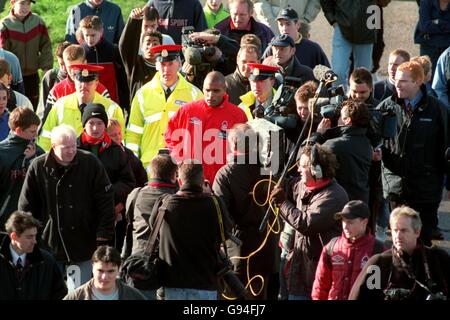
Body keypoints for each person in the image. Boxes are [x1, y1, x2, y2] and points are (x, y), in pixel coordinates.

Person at [18, 124, 115, 292]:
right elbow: (26, 207)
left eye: (73, 146)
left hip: (81, 245)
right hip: (48, 245)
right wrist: (27, 238)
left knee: (77, 292)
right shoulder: (38, 167)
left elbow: (105, 201)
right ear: (53, 146)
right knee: (47, 291)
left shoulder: (90, 163)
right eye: (66, 147)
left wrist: (103, 233)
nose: (71, 151)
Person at [379, 61, 450, 246]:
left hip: (426, 190)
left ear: (418, 82)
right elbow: (376, 140)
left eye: (403, 80)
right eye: (396, 80)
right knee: (398, 241)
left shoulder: (436, 109)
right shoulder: (387, 106)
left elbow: (447, 148)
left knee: (423, 242)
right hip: (396, 189)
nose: (397, 84)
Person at [270, 144, 349, 299]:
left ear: (316, 171)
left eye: (303, 166)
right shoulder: (302, 185)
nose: (298, 169)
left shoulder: (334, 196)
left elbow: (306, 224)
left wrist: (282, 203)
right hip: (296, 266)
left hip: (316, 270)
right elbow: (288, 184)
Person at [212, 123, 279, 300]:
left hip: (239, 250)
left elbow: (220, 215)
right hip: (267, 246)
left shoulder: (225, 174)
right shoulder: (268, 171)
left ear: (233, 145)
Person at [150, 161, 233, 300]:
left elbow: (155, 232)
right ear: (202, 180)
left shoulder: (164, 204)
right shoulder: (215, 204)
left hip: (172, 282)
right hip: (205, 283)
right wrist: (210, 195)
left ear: (179, 180)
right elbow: (226, 233)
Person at [125, 44, 203, 172]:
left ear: (179, 64)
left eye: (170, 64)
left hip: (182, 168)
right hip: (148, 168)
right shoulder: (142, 94)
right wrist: (134, 165)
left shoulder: (195, 95)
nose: (166, 70)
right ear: (156, 65)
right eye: (162, 64)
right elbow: (133, 134)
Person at [349, 206, 450, 300]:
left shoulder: (437, 259)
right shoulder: (379, 264)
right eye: (395, 230)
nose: (398, 236)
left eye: (403, 230)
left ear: (417, 232)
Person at [165, 71, 247, 184]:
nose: (210, 95)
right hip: (188, 183)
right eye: (207, 90)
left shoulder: (237, 115)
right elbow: (170, 137)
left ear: (224, 89)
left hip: (221, 183)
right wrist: (180, 162)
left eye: (216, 91)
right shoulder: (187, 111)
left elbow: (244, 150)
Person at [78, 104, 135, 250]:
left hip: (108, 217)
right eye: (91, 123)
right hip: (79, 218)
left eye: (99, 123)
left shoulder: (116, 151)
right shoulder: (74, 148)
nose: (95, 128)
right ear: (84, 124)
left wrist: (109, 195)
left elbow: (128, 182)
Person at [123, 153, 178, 299]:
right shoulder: (177, 200)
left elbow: (129, 221)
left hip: (141, 263)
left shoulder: (136, 194)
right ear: (174, 175)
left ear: (151, 172)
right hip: (170, 264)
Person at [38, 63, 125, 152]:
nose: (83, 86)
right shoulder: (60, 105)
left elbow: (120, 141)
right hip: (67, 162)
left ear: (96, 83)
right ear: (75, 81)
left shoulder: (112, 108)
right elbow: (46, 138)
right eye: (80, 81)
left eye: (88, 82)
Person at [312, 200, 385, 300]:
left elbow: (382, 290)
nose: (345, 226)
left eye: (350, 222)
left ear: (364, 222)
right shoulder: (331, 247)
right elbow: (320, 285)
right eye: (343, 221)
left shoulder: (378, 250)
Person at [0, 211, 67, 300]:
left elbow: (60, 294)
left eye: (35, 236)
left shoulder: (47, 261)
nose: (34, 241)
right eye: (29, 237)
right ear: (14, 236)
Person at [316, 100, 373, 204]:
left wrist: (318, 134)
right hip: (361, 202)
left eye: (340, 116)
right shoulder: (367, 143)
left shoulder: (334, 145)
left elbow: (307, 157)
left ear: (347, 120)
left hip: (339, 203)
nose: (337, 119)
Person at [0, 0, 53, 109]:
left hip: (32, 75)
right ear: (13, 3)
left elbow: (46, 46)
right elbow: (3, 54)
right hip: (13, 78)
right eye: (22, 3)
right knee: (14, 107)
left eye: (28, 4)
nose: (26, 7)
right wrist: (6, 75)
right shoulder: (5, 25)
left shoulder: (38, 22)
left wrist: (46, 67)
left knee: (32, 106)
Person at [40, 45, 110, 123]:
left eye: (77, 66)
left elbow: (109, 121)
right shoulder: (56, 92)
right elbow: (47, 122)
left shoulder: (101, 90)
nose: (73, 71)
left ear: (85, 63)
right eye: (70, 67)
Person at [0, 107, 43, 228]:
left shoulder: (38, 153)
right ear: (18, 130)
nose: (36, 134)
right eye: (32, 131)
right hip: (5, 222)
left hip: (32, 221)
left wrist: (32, 161)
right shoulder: (2, 152)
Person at [320, 0, 376, 88]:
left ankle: (361, 100)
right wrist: (332, 20)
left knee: (363, 76)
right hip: (342, 26)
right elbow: (325, 2)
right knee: (338, 72)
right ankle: (339, 99)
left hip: (367, 28)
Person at [79, 15, 129, 110]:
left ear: (101, 32)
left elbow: (122, 79)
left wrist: (125, 103)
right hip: (88, 103)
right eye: (86, 35)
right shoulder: (81, 52)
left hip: (112, 102)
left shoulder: (113, 50)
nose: (89, 39)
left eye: (93, 35)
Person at [64, 245, 145, 300]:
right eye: (100, 271)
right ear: (92, 268)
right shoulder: (76, 297)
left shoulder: (133, 296)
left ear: (118, 270)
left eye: (111, 271)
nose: (104, 277)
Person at [119, 7, 163, 106]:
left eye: (155, 43)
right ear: (141, 47)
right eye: (147, 43)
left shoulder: (165, 67)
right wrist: (134, 21)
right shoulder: (135, 64)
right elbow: (125, 46)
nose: (151, 47)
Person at [262, 7, 330, 70]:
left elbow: (327, 75)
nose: (284, 29)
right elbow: (261, 73)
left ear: (298, 25)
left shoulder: (313, 48)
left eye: (288, 24)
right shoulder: (272, 47)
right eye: (281, 24)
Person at [107, 119, 148, 188]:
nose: (118, 137)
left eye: (119, 133)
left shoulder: (128, 154)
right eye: (113, 135)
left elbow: (141, 176)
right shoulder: (104, 155)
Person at [414, 0, 450, 78]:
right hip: (429, 48)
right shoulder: (426, 1)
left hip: (448, 49)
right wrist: (446, 25)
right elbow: (424, 26)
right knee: (425, 78)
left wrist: (438, 22)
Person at [37, 42, 71, 116]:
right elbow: (42, 106)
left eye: (66, 64)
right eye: (61, 64)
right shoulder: (50, 76)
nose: (64, 68)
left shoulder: (79, 77)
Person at [252, 0, 321, 34]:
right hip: (271, 26)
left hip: (298, 26)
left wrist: (306, 19)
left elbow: (315, 1)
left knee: (299, 58)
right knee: (270, 59)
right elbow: (259, 1)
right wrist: (269, 20)